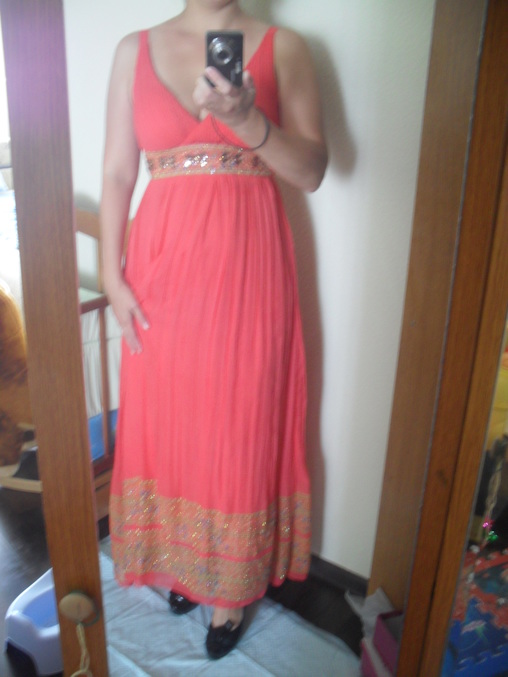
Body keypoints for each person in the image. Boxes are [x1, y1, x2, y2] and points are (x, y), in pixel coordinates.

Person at [100, 0, 327, 660]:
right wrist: (111, 275)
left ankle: (229, 587)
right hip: (159, 273)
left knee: (237, 423)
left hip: (247, 268)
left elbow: (312, 171)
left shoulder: (285, 47)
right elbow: (117, 171)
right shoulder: (132, 49)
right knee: (173, 421)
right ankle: (183, 563)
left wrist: (247, 120)